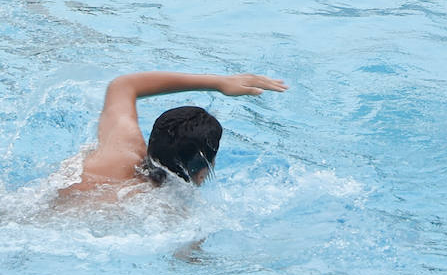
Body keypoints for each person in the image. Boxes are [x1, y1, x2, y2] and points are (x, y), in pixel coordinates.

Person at [53, 71, 287, 206]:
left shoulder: (121, 147)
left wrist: (218, 83)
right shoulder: (172, 213)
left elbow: (123, 84)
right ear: (203, 171)